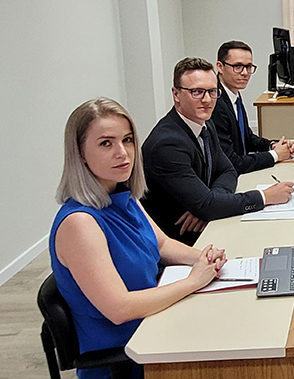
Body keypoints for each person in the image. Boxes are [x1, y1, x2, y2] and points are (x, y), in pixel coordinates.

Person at [50, 98, 227, 379]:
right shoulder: (80, 224)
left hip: (156, 325)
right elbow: (120, 308)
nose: (123, 153)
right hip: (130, 356)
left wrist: (205, 257)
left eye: (128, 140)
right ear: (81, 154)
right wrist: (193, 281)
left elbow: (162, 245)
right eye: (106, 143)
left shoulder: (123, 195)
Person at [142, 58, 294, 245]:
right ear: (176, 94)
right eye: (196, 92)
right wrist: (265, 197)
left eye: (212, 92)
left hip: (210, 226)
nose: (207, 100)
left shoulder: (206, 124)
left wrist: (209, 203)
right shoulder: (167, 144)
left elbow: (227, 170)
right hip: (181, 242)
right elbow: (208, 205)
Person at [212, 40, 294, 175]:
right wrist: (275, 155)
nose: (245, 73)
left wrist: (272, 146)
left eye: (249, 66)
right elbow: (232, 162)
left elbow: (247, 137)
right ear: (220, 67)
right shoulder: (214, 102)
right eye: (237, 66)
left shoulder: (233, 93)